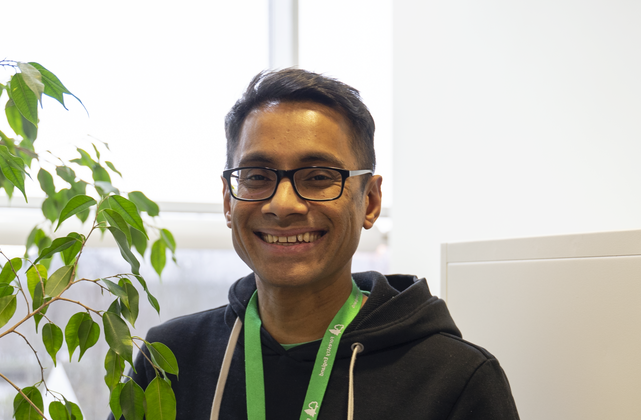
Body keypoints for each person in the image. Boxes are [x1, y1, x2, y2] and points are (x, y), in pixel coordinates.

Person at [112, 69, 519, 419]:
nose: (282, 205)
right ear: (227, 201)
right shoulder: (170, 358)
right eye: (256, 176)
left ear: (370, 201)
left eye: (319, 176)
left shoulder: (454, 379)